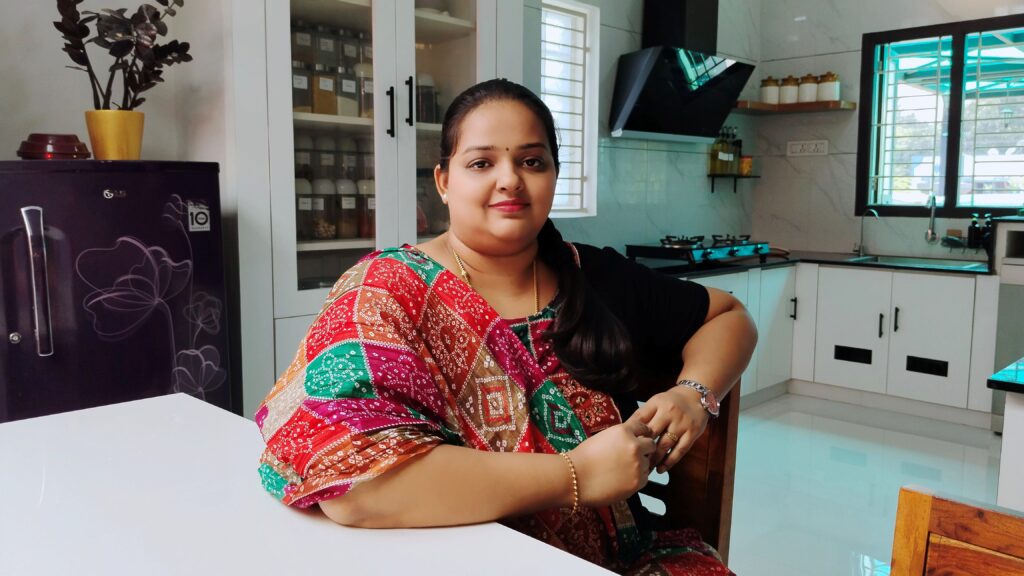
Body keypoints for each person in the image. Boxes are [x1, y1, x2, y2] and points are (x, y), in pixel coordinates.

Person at [256, 79, 757, 575]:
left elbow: (730, 316)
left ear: (554, 175)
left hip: (613, 560)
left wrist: (694, 393)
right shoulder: (385, 291)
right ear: (443, 181)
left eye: (532, 162)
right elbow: (355, 484)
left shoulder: (592, 274)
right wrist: (576, 475)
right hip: (444, 558)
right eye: (481, 163)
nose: (510, 180)